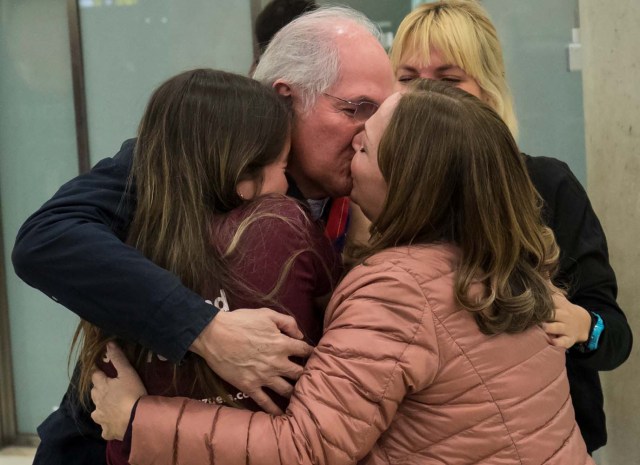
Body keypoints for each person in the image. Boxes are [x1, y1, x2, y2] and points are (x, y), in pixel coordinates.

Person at [90, 81, 595, 465]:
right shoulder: (510, 257)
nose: (352, 145)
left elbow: (306, 447)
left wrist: (137, 419)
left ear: (411, 185)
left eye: (367, 147)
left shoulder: (398, 290)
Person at [11, 6, 394, 464]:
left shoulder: (372, 181)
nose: (368, 131)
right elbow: (48, 238)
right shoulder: (191, 153)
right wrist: (204, 328)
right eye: (357, 109)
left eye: (382, 112)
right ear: (285, 98)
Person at [370, 0, 630, 453]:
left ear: (489, 93)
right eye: (408, 78)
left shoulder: (547, 186)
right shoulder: (371, 197)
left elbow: (616, 337)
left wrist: (584, 326)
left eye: (450, 79)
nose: (425, 95)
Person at [70, 68, 341, 465]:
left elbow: (109, 406)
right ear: (242, 177)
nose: (288, 185)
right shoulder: (281, 223)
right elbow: (341, 310)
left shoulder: (114, 251)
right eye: (284, 168)